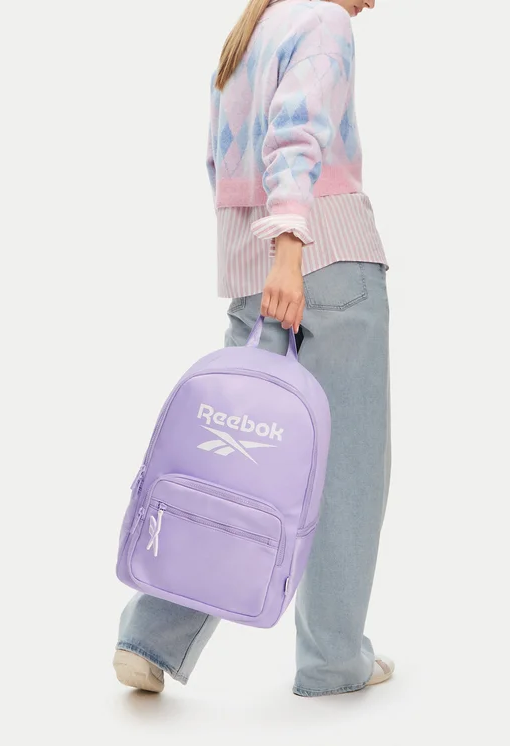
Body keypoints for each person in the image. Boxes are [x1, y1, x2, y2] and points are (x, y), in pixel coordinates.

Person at [113, 0, 393, 697]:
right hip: (322, 264)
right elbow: (296, 136)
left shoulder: (248, 35)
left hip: (252, 276)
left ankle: (150, 637)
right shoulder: (324, 22)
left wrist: (259, 259)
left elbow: (220, 164)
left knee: (238, 472)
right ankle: (333, 661)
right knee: (347, 472)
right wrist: (289, 252)